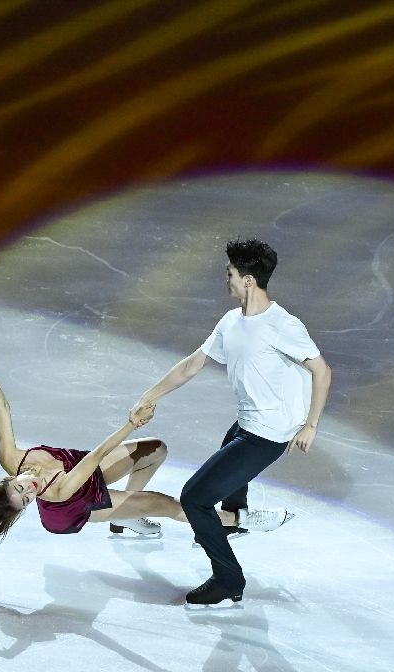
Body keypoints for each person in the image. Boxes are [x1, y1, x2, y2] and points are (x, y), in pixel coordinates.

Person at [0, 351, 288, 580]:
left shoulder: (11, 458)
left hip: (80, 468)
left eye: (20, 487)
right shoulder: (56, 491)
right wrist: (131, 423)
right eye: (26, 499)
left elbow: (2, 407)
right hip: (77, 505)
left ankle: (124, 518)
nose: (30, 489)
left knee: (155, 450)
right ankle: (240, 520)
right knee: (167, 505)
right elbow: (96, 456)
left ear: (9, 478)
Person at [134, 237, 332, 608]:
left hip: (268, 434)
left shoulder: (283, 326)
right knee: (229, 447)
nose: (226, 279)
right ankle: (234, 518)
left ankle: (228, 580)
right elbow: (192, 364)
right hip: (247, 424)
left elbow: (322, 371)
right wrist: (149, 396)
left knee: (195, 498)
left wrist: (310, 426)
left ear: (248, 281)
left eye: (230, 273)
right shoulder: (231, 322)